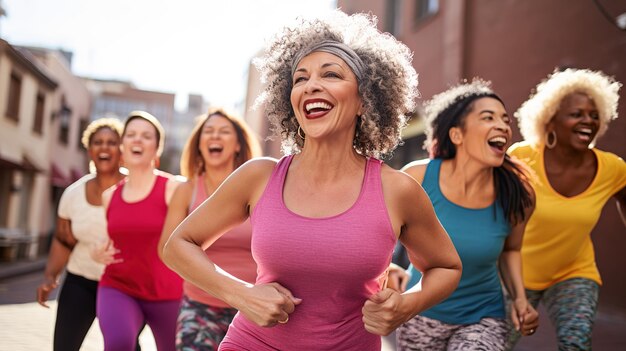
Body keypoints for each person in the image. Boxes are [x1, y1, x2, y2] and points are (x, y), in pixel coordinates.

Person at [162, 10, 462, 351]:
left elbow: (446, 266)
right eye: (300, 78)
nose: (311, 85)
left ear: (365, 100)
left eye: (331, 74)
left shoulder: (396, 190)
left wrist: (408, 305)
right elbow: (178, 245)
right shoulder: (258, 177)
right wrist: (241, 294)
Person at [395, 80, 539, 350]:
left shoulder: (519, 194)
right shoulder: (417, 178)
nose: (503, 126)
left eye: (505, 120)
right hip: (420, 311)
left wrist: (519, 299)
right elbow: (380, 234)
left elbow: (511, 250)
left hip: (484, 315)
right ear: (457, 135)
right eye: (488, 117)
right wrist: (387, 269)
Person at [507, 68, 626, 350]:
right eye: (577, 114)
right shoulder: (522, 157)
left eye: (594, 115)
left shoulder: (613, 168)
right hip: (516, 274)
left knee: (577, 344)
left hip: (574, 271)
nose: (588, 121)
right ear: (550, 119)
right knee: (496, 343)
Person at [157, 108, 261, 350]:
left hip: (253, 308)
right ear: (200, 145)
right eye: (209, 132)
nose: (215, 136)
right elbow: (166, 249)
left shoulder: (259, 187)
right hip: (199, 304)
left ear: (237, 145)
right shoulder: (187, 190)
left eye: (224, 132)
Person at [93, 111, 183, 350]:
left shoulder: (173, 188)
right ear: (122, 146)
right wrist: (97, 252)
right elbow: (111, 239)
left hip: (168, 292)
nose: (137, 140)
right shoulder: (109, 196)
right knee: (119, 343)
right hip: (118, 287)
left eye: (146, 136)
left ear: (157, 148)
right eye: (131, 135)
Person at [36, 118, 125, 351]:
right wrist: (49, 277)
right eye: (98, 142)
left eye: (112, 142)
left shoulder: (137, 188)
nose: (104, 147)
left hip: (124, 287)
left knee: (125, 346)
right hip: (80, 282)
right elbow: (63, 241)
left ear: (122, 150)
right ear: (89, 150)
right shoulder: (72, 194)